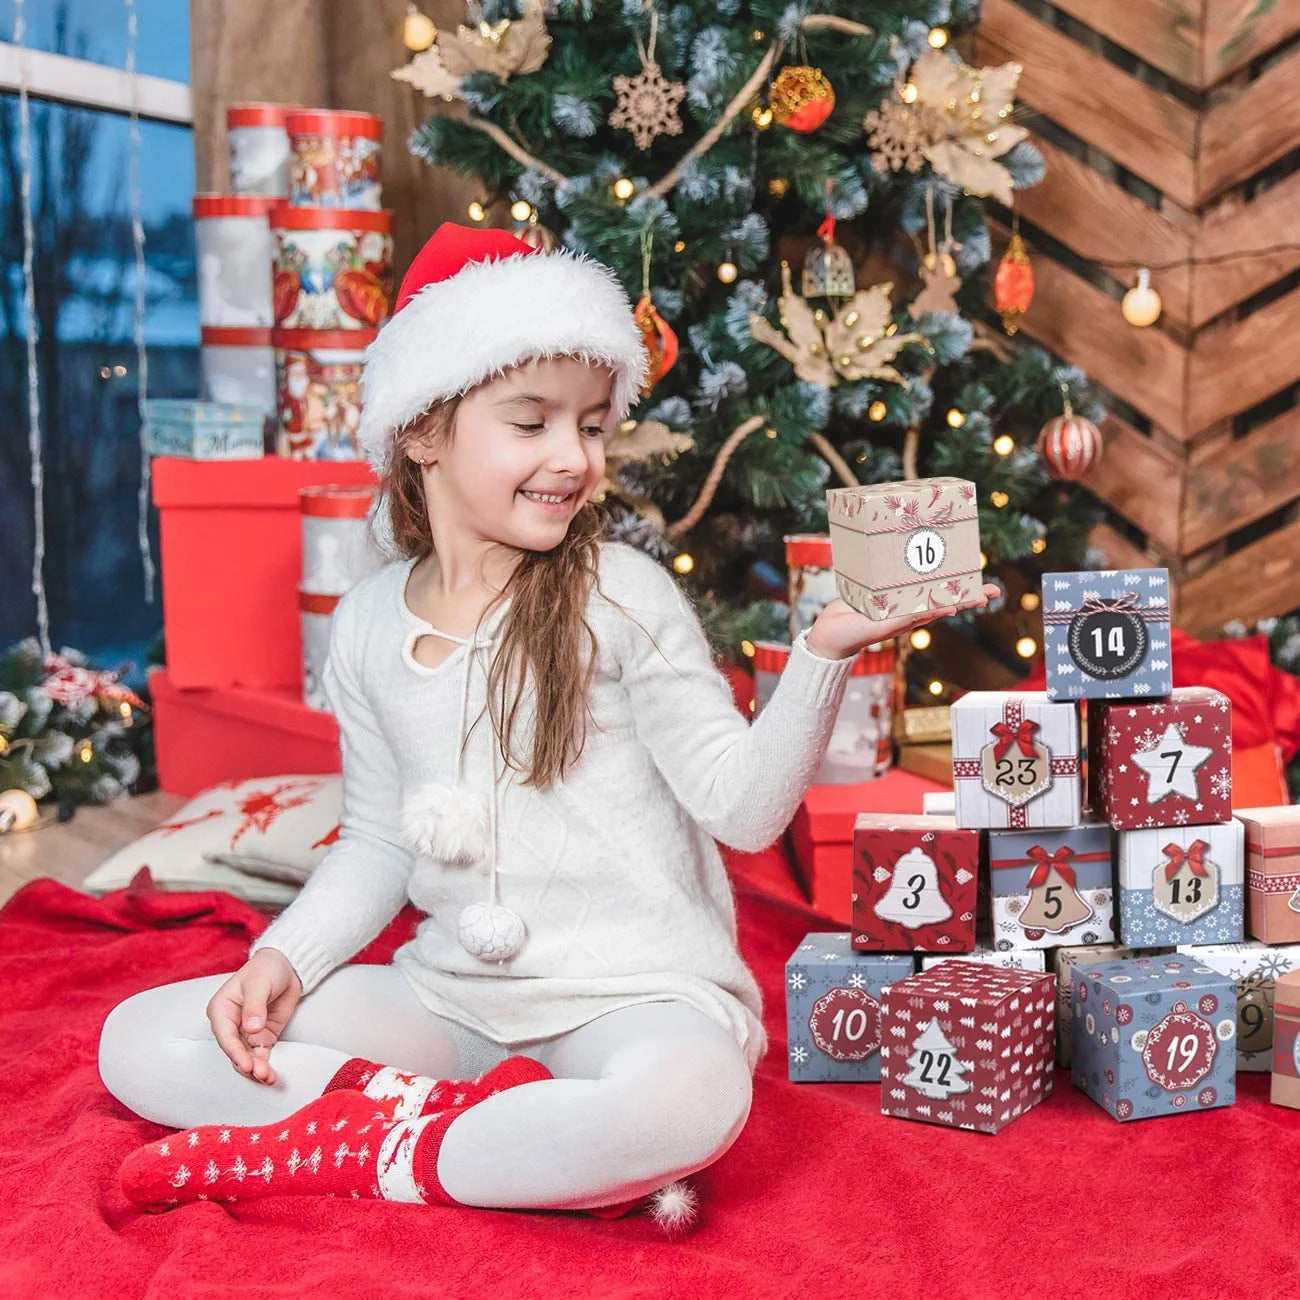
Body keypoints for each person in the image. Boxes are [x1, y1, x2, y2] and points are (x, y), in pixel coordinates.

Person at [100, 223, 994, 1228]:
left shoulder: (623, 594)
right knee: (142, 1037)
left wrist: (826, 649)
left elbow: (743, 813)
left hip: (637, 998)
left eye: (595, 426)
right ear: (425, 431)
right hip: (450, 1002)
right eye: (531, 424)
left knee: (688, 1102)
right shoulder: (365, 622)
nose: (574, 458)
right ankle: (466, 1139)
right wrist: (284, 959)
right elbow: (381, 839)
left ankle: (380, 1140)